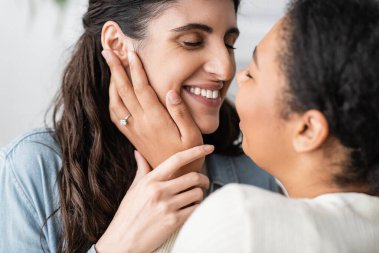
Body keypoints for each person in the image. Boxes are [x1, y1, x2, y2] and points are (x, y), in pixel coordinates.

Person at [0, 0, 278, 253]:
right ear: (118, 45)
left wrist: (182, 181)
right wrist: (119, 246)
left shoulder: (256, 175)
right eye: (192, 41)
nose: (226, 68)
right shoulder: (33, 170)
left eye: (229, 44)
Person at [168, 0, 379, 251]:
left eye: (252, 74)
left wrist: (179, 182)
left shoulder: (244, 221)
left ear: (307, 130)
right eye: (193, 42)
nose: (231, 73)